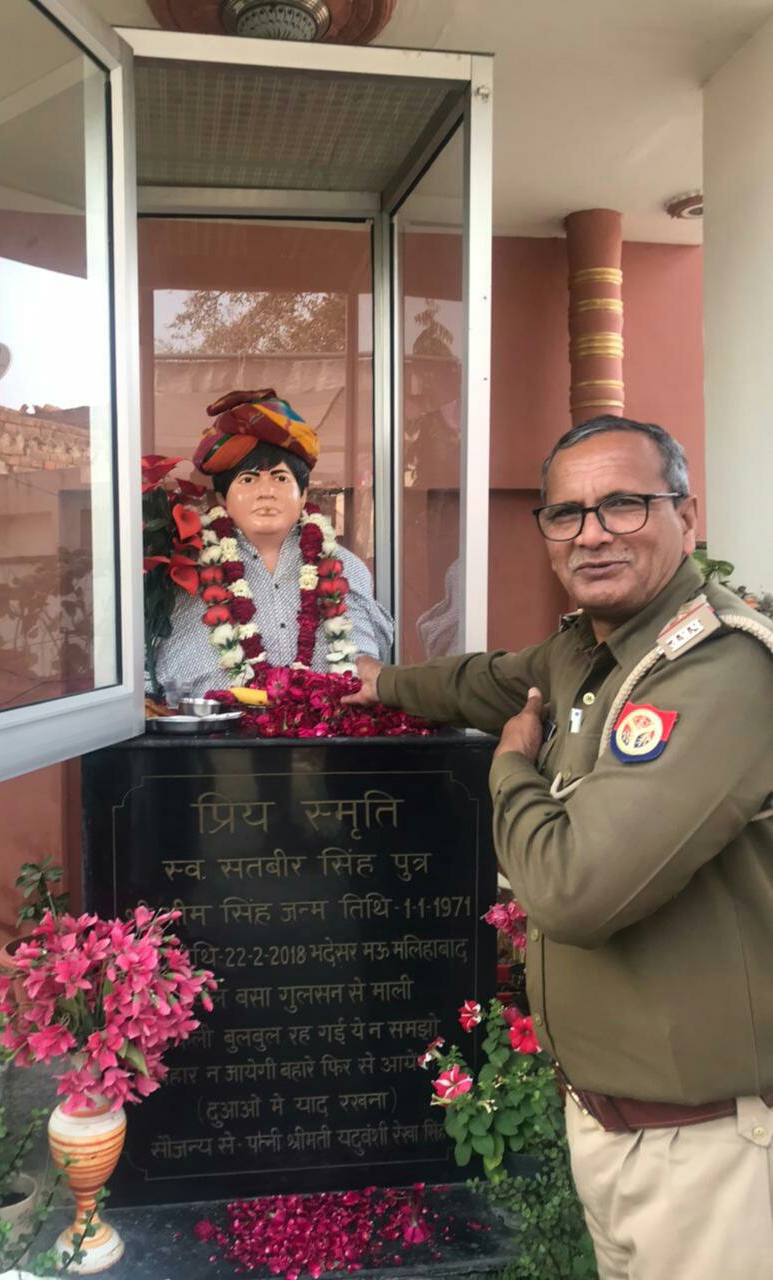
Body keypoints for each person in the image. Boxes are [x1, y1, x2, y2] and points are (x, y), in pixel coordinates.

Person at [346, 414, 773, 1280]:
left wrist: (511, 767)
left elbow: (574, 891)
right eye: (567, 513)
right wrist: (379, 682)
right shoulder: (588, 649)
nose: (593, 533)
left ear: (687, 515)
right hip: (614, 1131)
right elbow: (485, 680)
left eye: (624, 504)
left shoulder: (718, 669)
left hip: (710, 1150)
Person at [156, 388, 392, 699]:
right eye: (248, 479)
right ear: (222, 498)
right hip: (213, 726)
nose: (266, 492)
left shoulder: (346, 567)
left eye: (281, 478)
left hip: (328, 726)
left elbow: (366, 659)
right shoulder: (186, 569)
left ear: (303, 495)